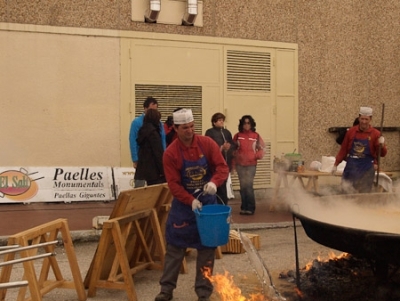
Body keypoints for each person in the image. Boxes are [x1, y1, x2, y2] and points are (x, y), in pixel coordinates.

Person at [155, 108, 229, 301]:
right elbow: (173, 184)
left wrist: (214, 182)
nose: (189, 131)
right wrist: (190, 200)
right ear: (176, 128)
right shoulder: (170, 153)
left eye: (191, 126)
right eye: (185, 128)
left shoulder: (207, 144)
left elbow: (222, 167)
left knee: (206, 251)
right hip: (183, 207)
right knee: (175, 249)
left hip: (207, 208)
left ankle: (203, 293)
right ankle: (166, 290)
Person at [332, 106, 387, 193]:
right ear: (359, 117)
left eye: (366, 119)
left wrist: (382, 145)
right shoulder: (351, 132)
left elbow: (382, 154)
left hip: (367, 169)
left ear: (370, 119)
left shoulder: (376, 134)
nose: (364, 122)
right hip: (351, 167)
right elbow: (343, 149)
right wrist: (335, 164)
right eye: (362, 119)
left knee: (363, 195)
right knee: (345, 192)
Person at [129, 96, 166, 187]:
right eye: (151, 110)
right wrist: (135, 158)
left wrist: (165, 156)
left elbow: (163, 140)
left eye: (155, 110)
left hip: (155, 160)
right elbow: (132, 140)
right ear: (145, 108)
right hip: (142, 158)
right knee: (140, 184)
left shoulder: (159, 124)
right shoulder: (136, 122)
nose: (153, 112)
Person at [232, 115, 265, 215]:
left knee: (249, 186)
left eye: (248, 123)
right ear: (242, 124)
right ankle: (244, 207)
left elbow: (262, 149)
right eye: (244, 123)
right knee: (243, 186)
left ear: (251, 124)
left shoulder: (256, 136)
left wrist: (255, 156)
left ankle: (250, 208)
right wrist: (233, 164)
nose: (246, 125)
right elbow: (233, 150)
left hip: (251, 165)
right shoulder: (237, 136)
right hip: (240, 165)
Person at [205, 112, 235, 205]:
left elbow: (233, 145)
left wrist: (229, 147)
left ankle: (223, 205)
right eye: (219, 120)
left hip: (226, 163)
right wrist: (221, 147)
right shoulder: (209, 132)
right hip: (214, 164)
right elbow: (208, 147)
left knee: (223, 186)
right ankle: (215, 205)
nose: (222, 122)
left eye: (222, 120)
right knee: (216, 185)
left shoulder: (227, 132)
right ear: (214, 122)